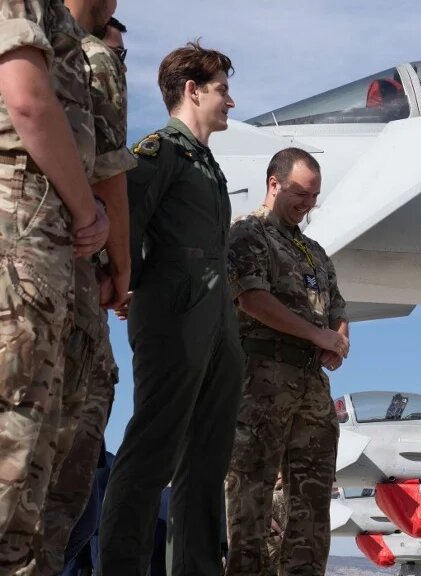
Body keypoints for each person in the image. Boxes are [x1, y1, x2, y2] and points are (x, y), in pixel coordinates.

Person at [97, 41, 243, 576]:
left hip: (215, 317)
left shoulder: (206, 163)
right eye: (222, 89)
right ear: (192, 90)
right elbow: (123, 220)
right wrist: (128, 282)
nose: (230, 101)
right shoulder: (159, 151)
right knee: (152, 447)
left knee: (208, 457)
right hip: (174, 313)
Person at [0, 0, 107, 571]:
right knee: (14, 448)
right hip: (22, 238)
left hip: (46, 245)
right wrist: (88, 209)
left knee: (36, 465)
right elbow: (27, 99)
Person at [35, 5, 135, 574]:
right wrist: (122, 270)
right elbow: (110, 178)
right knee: (64, 490)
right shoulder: (88, 56)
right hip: (69, 287)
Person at [225, 147, 348, 575]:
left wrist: (337, 341)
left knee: (312, 508)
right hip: (261, 382)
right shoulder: (248, 233)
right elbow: (252, 298)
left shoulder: (313, 251)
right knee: (251, 500)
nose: (307, 204)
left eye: (314, 196)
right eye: (300, 194)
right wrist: (317, 335)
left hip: (311, 387)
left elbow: (337, 308)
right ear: (273, 184)